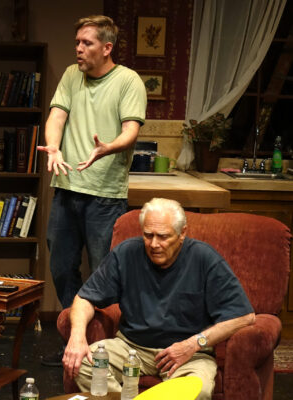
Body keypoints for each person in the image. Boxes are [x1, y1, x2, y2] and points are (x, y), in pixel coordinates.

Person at [63, 198, 255, 399]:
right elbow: (85, 298)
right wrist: (77, 337)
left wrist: (193, 344)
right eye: (148, 235)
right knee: (83, 364)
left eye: (163, 237)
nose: (154, 244)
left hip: (189, 354)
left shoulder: (204, 258)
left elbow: (245, 316)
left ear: (182, 233)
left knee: (199, 390)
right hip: (132, 347)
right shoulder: (126, 253)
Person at [37, 15, 146, 366]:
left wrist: (109, 147)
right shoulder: (72, 75)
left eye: (87, 43)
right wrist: (54, 147)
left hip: (106, 195)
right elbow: (56, 117)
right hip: (67, 188)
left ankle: (106, 349)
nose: (79, 49)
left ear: (107, 47)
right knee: (61, 267)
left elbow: (131, 130)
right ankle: (75, 338)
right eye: (77, 43)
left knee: (106, 274)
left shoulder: (128, 81)